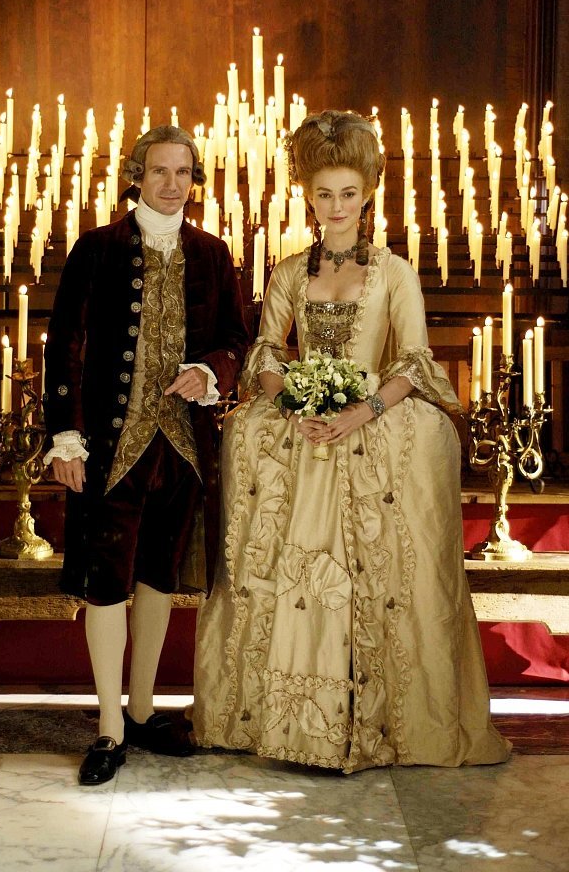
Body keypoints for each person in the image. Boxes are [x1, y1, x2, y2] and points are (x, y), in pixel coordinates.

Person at [192, 110, 511, 773]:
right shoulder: (288, 272)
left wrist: (360, 412)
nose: (335, 207)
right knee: (252, 448)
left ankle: (377, 721)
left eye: (348, 194)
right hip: (301, 426)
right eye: (323, 195)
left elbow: (413, 362)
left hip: (372, 422)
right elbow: (266, 352)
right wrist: (294, 401)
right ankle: (285, 723)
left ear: (367, 197)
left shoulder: (395, 273)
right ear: (308, 198)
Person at [43, 125, 249, 785]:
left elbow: (237, 340)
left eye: (183, 172)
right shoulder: (97, 249)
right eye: (159, 171)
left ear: (195, 179)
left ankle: (140, 710)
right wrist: (65, 437)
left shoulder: (213, 254)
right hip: (110, 446)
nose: (172, 184)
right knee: (107, 580)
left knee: (159, 575)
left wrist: (210, 370)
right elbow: (66, 345)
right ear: (136, 175)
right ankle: (108, 726)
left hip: (183, 447)